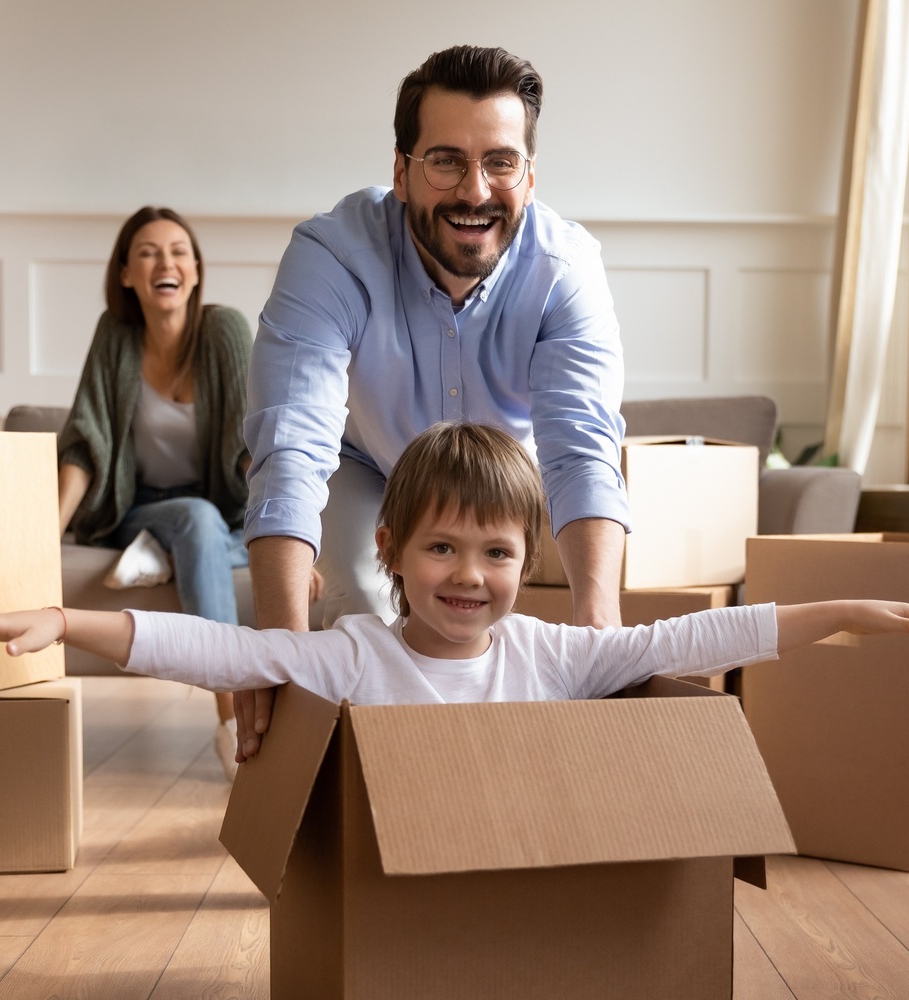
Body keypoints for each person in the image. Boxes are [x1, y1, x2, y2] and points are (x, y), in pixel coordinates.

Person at [0, 423, 909, 706]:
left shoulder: (552, 658)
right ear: (391, 551)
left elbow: (694, 636)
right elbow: (213, 650)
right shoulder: (353, 655)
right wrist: (68, 625)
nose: (470, 575)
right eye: (441, 548)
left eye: (498, 552)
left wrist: (829, 609)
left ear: (530, 559)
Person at [237, 46, 629, 754]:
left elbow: (580, 450)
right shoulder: (331, 256)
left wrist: (600, 630)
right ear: (401, 172)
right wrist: (277, 652)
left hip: (499, 472)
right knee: (357, 606)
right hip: (364, 460)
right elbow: (292, 446)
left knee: (478, 627)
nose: (474, 190)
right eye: (446, 160)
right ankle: (370, 785)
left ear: (530, 177)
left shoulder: (567, 272)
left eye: (500, 162)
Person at [56, 207, 252, 749]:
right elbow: (86, 441)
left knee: (202, 523)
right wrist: (44, 534)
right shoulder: (114, 335)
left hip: (219, 510)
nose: (164, 262)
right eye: (147, 252)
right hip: (137, 509)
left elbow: (249, 446)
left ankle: (177, 555)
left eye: (177, 251)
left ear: (194, 269)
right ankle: (235, 723)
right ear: (125, 274)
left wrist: (289, 538)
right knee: (196, 520)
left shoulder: (225, 331)